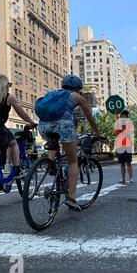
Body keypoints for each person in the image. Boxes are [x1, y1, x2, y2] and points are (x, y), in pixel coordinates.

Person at [38, 75, 102, 211]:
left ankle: (51, 163)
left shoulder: (53, 94)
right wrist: (98, 134)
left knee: (54, 141)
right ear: (78, 88)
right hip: (64, 126)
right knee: (73, 161)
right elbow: (90, 119)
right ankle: (71, 197)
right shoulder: (77, 96)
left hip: (43, 126)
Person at [114, 110, 134, 184]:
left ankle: (131, 178)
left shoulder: (129, 125)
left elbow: (129, 134)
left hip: (127, 146)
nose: (123, 117)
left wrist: (123, 129)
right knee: (122, 164)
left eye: (124, 116)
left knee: (128, 163)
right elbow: (115, 134)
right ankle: (123, 178)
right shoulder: (117, 124)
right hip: (120, 146)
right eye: (121, 116)